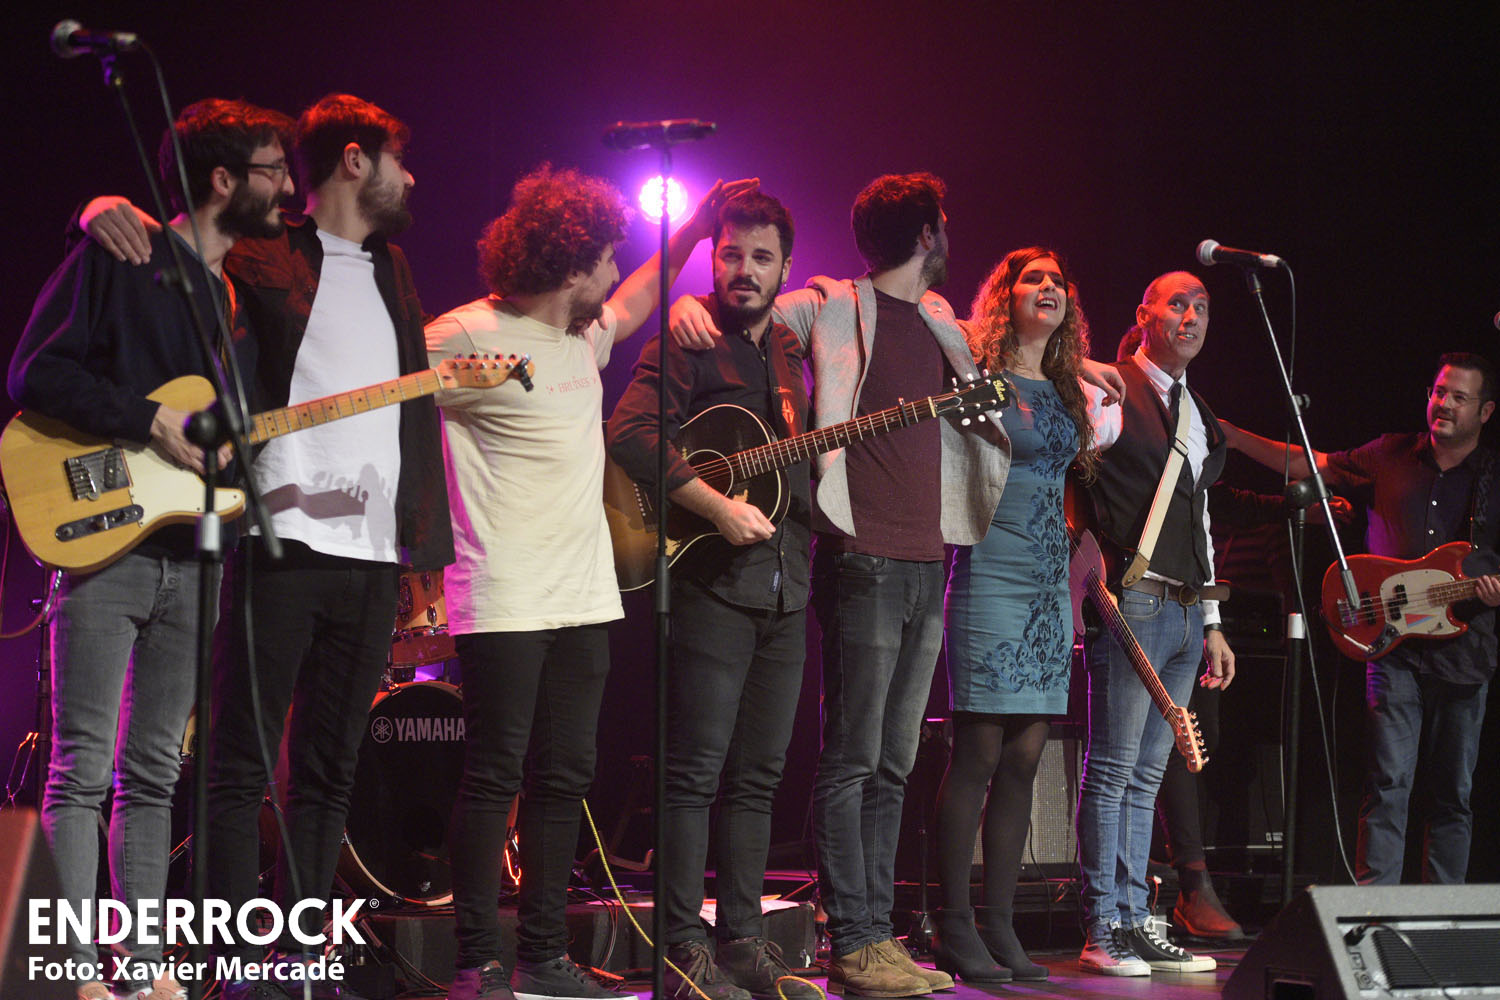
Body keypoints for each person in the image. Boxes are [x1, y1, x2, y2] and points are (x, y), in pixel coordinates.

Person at [672, 175, 1124, 998]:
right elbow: (750, 306)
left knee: (894, 760)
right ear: (927, 234)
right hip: (862, 555)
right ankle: (852, 938)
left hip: (926, 557)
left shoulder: (945, 320)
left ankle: (877, 936)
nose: (948, 235)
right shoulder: (831, 303)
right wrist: (686, 305)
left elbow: (1008, 354)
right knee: (852, 759)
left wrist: (1082, 359)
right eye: (942, 225)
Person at [82, 92, 454, 1000]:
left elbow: (410, 415)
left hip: (372, 552)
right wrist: (97, 209)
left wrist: (421, 553)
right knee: (239, 762)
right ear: (356, 160)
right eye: (399, 160)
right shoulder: (264, 250)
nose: (412, 179)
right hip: (271, 536)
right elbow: (178, 249)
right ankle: (232, 963)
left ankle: (298, 958)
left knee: (328, 770)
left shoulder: (394, 267)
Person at [427, 167, 753, 1000]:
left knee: (565, 775)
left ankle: (541, 955)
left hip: (583, 595)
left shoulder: (581, 335)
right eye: (606, 257)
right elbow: (374, 403)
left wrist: (692, 229)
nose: (615, 273)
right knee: (494, 776)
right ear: (571, 262)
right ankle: (478, 961)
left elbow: (640, 295)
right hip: (503, 592)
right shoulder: (462, 334)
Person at [9, 98, 291, 1000]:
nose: (289, 186)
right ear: (223, 180)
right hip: (105, 546)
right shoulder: (122, 252)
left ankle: (143, 967)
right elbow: (34, 372)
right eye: (273, 169)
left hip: (195, 555)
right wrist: (147, 419)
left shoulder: (233, 299)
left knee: (155, 773)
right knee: (82, 767)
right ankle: (69, 971)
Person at [606, 191, 818, 1000]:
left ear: (785, 268)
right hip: (710, 586)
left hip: (786, 588)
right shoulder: (687, 337)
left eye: (761, 257)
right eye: (731, 254)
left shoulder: (789, 348)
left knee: (758, 779)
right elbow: (630, 434)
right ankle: (681, 951)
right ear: (712, 256)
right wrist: (715, 505)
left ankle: (744, 944)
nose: (744, 270)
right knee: (694, 774)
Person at [1223, 352, 1500, 885]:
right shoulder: (1392, 452)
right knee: (1387, 782)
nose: (1444, 404)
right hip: (1389, 647)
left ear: (1485, 412)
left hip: (1465, 656)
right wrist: (1235, 437)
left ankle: (1441, 918)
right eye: (1439, 392)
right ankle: (1376, 912)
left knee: (1452, 794)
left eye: (1460, 397)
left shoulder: (1493, 476)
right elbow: (1313, 464)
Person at [931, 248, 1098, 984]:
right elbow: (945, 436)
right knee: (979, 752)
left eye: (1058, 281)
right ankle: (953, 923)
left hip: (1046, 586)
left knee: (1027, 755)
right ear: (1007, 295)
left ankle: (999, 923)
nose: (1049, 287)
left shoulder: (1063, 388)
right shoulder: (980, 377)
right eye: (1034, 279)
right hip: (989, 572)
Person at [1074, 271, 1231, 977]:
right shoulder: (1110, 388)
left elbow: (1200, 517)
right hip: (1133, 598)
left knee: (1147, 775)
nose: (1190, 316)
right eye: (1177, 304)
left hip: (1187, 608)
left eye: (1201, 307)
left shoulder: (1196, 411)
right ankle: (1102, 927)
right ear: (1145, 315)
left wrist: (1213, 619)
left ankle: (1137, 920)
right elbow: (1072, 477)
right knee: (1112, 770)